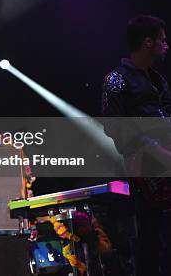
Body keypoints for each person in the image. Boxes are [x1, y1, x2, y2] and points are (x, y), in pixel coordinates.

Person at [101, 14, 171, 276]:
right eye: (163, 41)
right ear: (147, 42)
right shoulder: (116, 79)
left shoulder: (158, 80)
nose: (167, 45)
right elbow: (115, 126)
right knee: (151, 238)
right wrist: (155, 150)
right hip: (144, 168)